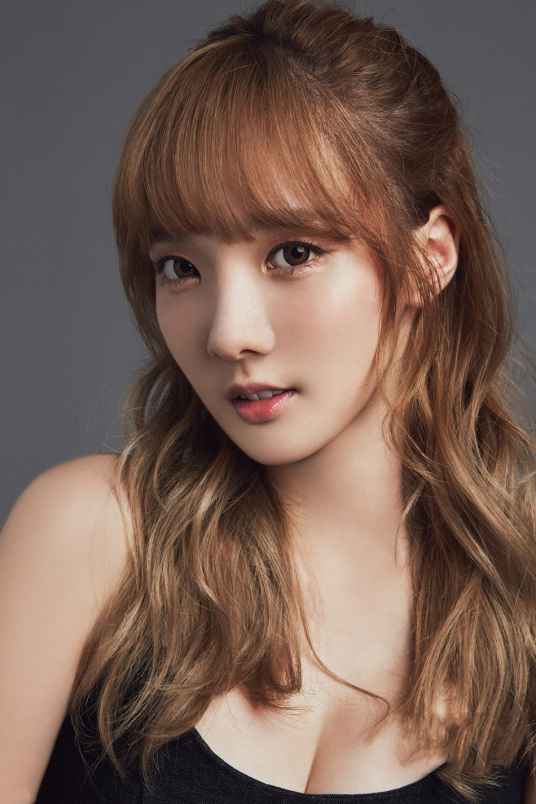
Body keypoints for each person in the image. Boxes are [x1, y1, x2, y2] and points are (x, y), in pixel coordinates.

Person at [1, 0, 534, 801]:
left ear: (429, 259)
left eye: (293, 253)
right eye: (181, 267)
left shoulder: (521, 606)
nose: (228, 334)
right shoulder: (90, 536)